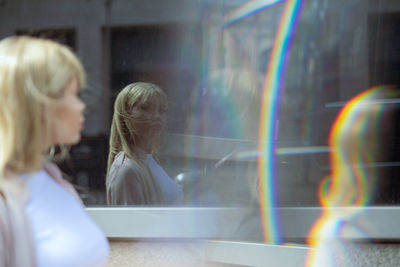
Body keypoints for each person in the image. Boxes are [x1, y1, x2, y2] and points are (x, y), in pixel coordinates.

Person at [0, 36, 109, 267]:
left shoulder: (54, 180)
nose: (82, 106)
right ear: (39, 103)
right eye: (74, 94)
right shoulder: (5, 198)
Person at [106, 82, 183, 205]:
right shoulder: (127, 170)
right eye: (145, 108)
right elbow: (133, 222)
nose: (156, 116)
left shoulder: (149, 160)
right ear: (125, 115)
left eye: (162, 110)